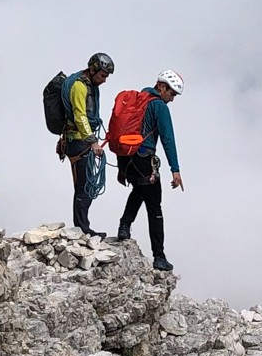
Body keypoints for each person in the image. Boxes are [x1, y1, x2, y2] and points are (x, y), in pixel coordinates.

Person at [116, 70, 184, 272]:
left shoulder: (138, 98)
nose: (172, 99)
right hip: (144, 158)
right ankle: (159, 256)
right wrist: (175, 169)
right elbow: (167, 139)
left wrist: (121, 168)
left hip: (126, 157)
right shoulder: (158, 106)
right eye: (171, 93)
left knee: (138, 191)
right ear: (161, 86)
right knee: (155, 207)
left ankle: (124, 226)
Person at [58, 52, 114, 237]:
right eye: (103, 75)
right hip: (77, 140)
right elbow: (79, 115)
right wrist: (93, 141)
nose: (104, 80)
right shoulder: (79, 86)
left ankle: (83, 227)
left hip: (80, 138)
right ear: (93, 69)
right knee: (84, 185)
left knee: (86, 185)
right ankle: (82, 228)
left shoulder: (88, 84)